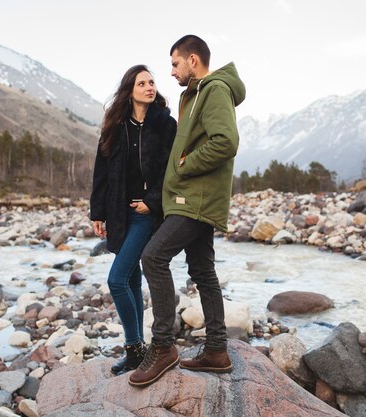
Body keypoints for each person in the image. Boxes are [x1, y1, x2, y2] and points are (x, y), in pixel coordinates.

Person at [129, 35, 245, 387]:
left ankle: (163, 346)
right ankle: (216, 351)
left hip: (194, 200)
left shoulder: (214, 90)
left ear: (193, 60)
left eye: (175, 63)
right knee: (203, 271)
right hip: (193, 198)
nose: (172, 71)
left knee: (153, 258)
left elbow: (226, 141)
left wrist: (184, 164)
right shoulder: (194, 95)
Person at [90, 64, 177, 375]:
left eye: (152, 82)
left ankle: (134, 347)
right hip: (118, 212)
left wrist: (152, 202)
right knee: (130, 278)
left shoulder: (165, 125)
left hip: (145, 215)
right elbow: (101, 171)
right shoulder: (115, 126)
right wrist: (97, 212)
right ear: (130, 90)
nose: (150, 87)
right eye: (142, 83)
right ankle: (138, 349)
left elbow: (171, 170)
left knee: (116, 280)